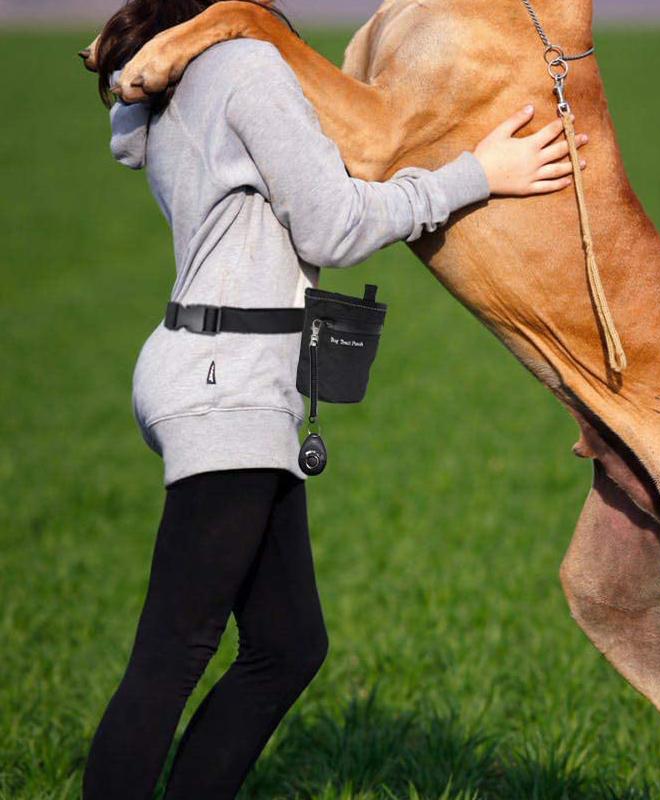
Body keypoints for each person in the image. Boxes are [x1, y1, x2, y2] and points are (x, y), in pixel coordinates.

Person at [82, 1, 589, 797]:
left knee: (288, 644)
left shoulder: (174, 85)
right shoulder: (246, 68)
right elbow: (332, 227)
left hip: (218, 366)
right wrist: (476, 178)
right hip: (232, 380)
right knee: (172, 655)